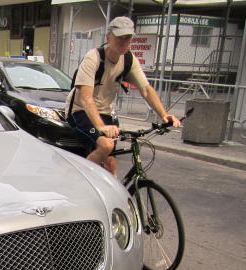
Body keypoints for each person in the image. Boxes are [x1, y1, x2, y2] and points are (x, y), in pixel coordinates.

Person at [65, 16, 181, 177]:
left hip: (104, 112)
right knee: (105, 146)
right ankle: (80, 184)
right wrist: (101, 126)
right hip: (79, 110)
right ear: (108, 37)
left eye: (128, 38)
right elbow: (86, 98)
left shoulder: (128, 60)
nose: (124, 43)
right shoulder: (94, 57)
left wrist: (164, 115)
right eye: (120, 38)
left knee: (111, 163)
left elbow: (146, 90)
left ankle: (114, 200)